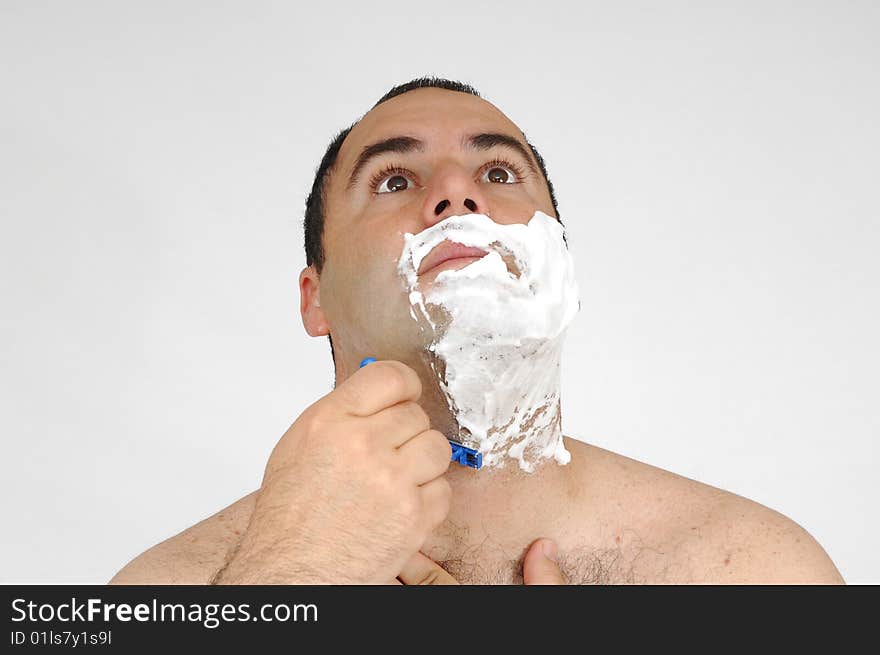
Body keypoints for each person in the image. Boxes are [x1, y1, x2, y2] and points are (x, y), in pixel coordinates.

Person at [110, 77, 844, 585]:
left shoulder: (750, 568)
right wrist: (296, 569)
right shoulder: (183, 588)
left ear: (559, 260)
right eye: (395, 179)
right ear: (315, 298)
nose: (456, 194)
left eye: (498, 173)